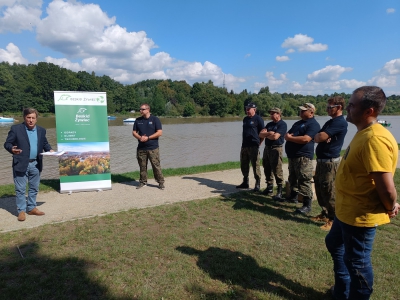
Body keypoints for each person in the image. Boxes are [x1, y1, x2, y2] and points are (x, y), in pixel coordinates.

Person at [325, 86, 398, 300]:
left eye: (352, 105)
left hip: (360, 216)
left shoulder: (374, 139)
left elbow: (386, 187)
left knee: (357, 264)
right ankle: (342, 290)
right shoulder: (363, 133)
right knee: (334, 244)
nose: (346, 108)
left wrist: (390, 206)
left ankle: (355, 295)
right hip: (346, 211)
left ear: (370, 111)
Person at [4, 108, 53, 221]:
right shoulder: (16, 129)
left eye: (33, 118)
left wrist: (50, 150)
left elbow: (44, 143)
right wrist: (11, 148)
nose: (31, 120)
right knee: (20, 189)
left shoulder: (41, 130)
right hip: (20, 163)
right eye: (28, 117)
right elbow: (7, 143)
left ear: (36, 119)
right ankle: (21, 211)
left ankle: (31, 208)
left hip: (36, 163)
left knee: (34, 187)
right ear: (24, 118)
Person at [312, 97, 348, 231]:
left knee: (330, 191)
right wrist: (321, 137)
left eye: (330, 107)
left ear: (339, 107)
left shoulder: (340, 123)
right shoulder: (330, 122)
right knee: (320, 188)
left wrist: (322, 137)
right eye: (327, 107)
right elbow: (318, 136)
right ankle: (325, 213)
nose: (327, 109)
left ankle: (334, 219)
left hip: (330, 163)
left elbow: (319, 137)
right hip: (321, 161)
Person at [284, 103, 320, 214]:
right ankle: (293, 197)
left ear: (311, 112)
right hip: (293, 156)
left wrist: (291, 138)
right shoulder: (298, 123)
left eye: (304, 110)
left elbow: (305, 139)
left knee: (304, 179)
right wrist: (290, 137)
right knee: (293, 177)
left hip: (303, 157)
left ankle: (306, 204)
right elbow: (287, 135)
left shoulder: (313, 124)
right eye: (301, 110)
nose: (301, 112)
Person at [132, 103, 165, 190]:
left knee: (156, 165)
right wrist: (140, 137)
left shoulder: (155, 119)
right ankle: (143, 182)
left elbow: (159, 132)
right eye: (140, 109)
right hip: (141, 148)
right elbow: (134, 132)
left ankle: (160, 182)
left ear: (148, 110)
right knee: (142, 166)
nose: (140, 111)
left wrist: (148, 138)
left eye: (142, 109)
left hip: (153, 148)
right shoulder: (138, 120)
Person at [259, 107, 287, 199]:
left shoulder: (282, 124)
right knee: (267, 167)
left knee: (277, 169)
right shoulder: (269, 124)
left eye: (272, 113)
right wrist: (268, 134)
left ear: (278, 114)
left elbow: (275, 137)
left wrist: (268, 134)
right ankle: (269, 187)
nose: (271, 115)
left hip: (276, 149)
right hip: (267, 149)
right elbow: (260, 134)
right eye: (270, 113)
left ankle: (279, 191)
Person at [236, 102, 265, 191]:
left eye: (249, 109)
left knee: (255, 165)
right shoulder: (245, 119)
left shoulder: (258, 119)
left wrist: (259, 143)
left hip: (253, 146)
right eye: (246, 109)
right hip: (244, 145)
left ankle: (258, 183)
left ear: (254, 110)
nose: (247, 110)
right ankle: (245, 182)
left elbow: (263, 132)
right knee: (244, 164)